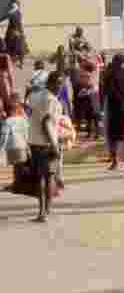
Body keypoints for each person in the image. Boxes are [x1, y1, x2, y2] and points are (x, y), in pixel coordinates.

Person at [27, 71, 63, 222]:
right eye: (58, 83)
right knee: (47, 178)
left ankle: (43, 212)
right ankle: (44, 212)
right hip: (46, 143)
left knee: (42, 178)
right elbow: (46, 123)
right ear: (50, 83)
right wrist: (54, 144)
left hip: (36, 142)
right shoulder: (51, 99)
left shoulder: (40, 96)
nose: (60, 87)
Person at [103, 54, 124, 171]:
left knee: (113, 136)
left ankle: (114, 162)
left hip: (112, 108)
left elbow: (105, 91)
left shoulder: (108, 73)